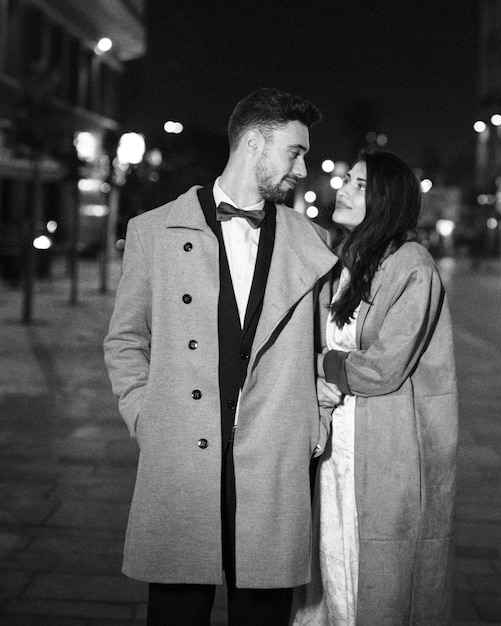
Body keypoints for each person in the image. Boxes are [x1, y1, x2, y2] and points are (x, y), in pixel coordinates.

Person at [104, 87, 338, 626]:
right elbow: (124, 340)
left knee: (262, 613)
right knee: (176, 610)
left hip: (275, 457)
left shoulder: (314, 240)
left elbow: (328, 348)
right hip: (183, 454)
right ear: (254, 142)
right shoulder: (153, 231)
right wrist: (145, 414)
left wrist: (314, 423)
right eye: (294, 151)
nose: (302, 168)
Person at [291, 151, 459, 625]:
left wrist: (318, 364)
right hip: (334, 445)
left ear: (386, 198)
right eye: (346, 179)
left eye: (359, 184)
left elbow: (384, 367)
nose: (342, 188)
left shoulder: (412, 266)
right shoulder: (345, 262)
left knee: (372, 568)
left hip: (385, 445)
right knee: (330, 557)